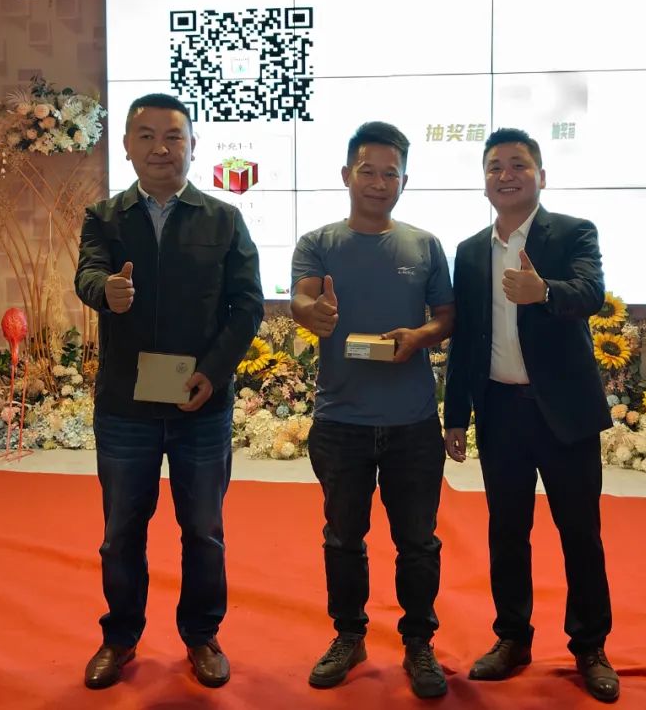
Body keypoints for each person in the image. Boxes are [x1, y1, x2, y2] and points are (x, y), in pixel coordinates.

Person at [75, 93, 264, 690]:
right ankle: (119, 637)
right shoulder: (105, 217)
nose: (161, 148)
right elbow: (86, 274)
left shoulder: (223, 219)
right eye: (147, 136)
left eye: (173, 136)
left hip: (199, 404)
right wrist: (106, 291)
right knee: (120, 534)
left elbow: (247, 305)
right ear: (127, 147)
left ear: (192, 145)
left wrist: (214, 371)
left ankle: (202, 635)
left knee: (203, 531)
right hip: (125, 406)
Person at [443, 128, 619, 702]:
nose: (506, 174)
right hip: (500, 412)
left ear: (541, 176)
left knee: (580, 534)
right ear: (484, 182)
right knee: (507, 533)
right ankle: (512, 638)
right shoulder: (471, 251)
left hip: (563, 413)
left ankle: (589, 646)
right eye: (495, 166)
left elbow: (590, 293)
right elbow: (466, 339)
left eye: (518, 164)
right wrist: (455, 415)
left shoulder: (572, 232)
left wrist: (543, 291)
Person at [290, 121, 455, 699]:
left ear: (404, 181)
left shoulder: (424, 245)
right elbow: (302, 297)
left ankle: (419, 643)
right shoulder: (318, 242)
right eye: (368, 171)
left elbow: (447, 316)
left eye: (391, 174)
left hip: (413, 422)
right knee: (343, 538)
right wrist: (314, 313)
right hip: (341, 421)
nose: (379, 183)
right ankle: (349, 635)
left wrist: (421, 336)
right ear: (346, 175)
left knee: (419, 542)